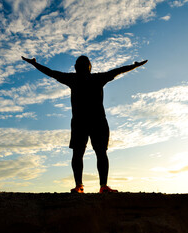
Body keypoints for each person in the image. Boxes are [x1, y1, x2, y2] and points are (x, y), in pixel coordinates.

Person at [22, 55, 148, 193]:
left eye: (81, 64)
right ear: (88, 66)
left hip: (91, 122)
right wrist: (134, 66)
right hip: (88, 122)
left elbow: (51, 73)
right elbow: (118, 71)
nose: (79, 66)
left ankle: (89, 185)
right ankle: (93, 186)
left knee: (89, 153)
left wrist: (35, 64)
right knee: (91, 153)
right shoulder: (88, 78)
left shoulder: (80, 79)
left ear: (83, 67)